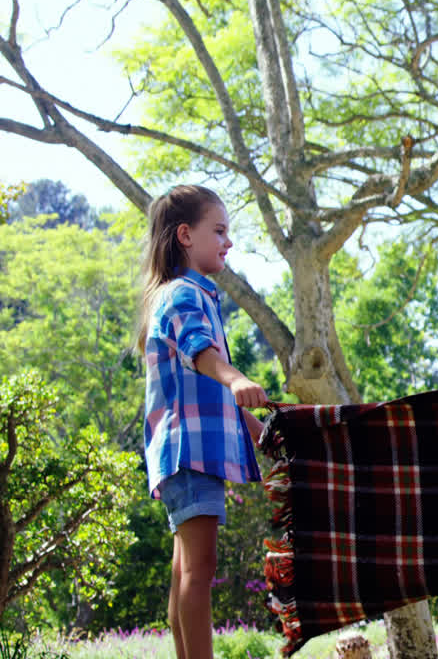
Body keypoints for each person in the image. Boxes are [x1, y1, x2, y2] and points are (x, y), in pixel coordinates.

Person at [135, 185, 268, 659]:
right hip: (189, 451)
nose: (228, 241)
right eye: (220, 230)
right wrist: (237, 380)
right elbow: (201, 354)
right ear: (186, 235)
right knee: (200, 568)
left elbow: (211, 387)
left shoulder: (196, 296)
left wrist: (260, 430)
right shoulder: (183, 295)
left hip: (190, 450)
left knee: (185, 573)